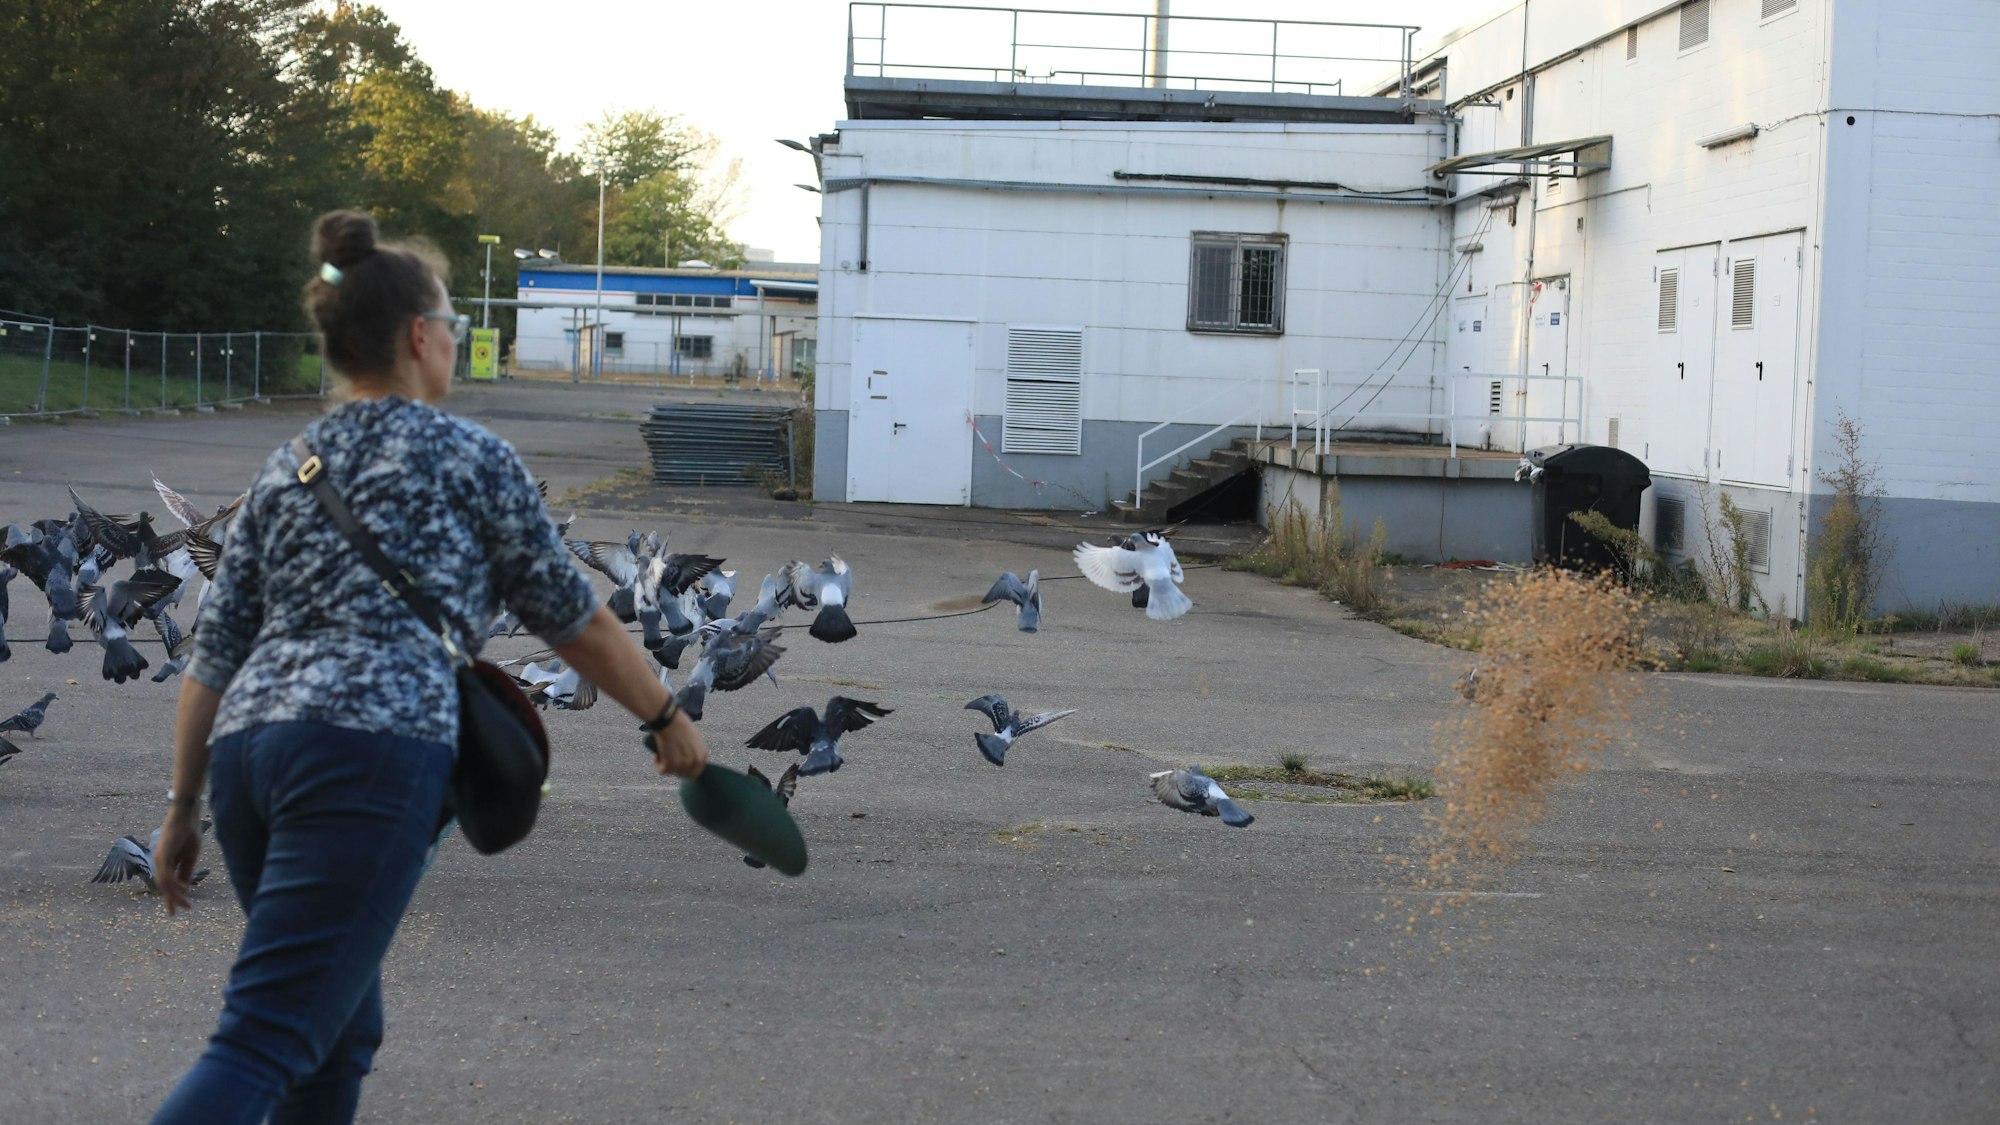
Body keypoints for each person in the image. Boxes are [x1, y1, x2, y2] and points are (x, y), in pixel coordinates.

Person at [148, 209, 708, 1124]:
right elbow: (577, 622)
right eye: (450, 325)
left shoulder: (287, 467)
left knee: (335, 1032)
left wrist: (181, 809)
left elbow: (210, 658)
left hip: (250, 760)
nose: (453, 339)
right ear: (419, 337)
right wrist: (664, 715)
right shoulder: (470, 457)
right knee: (264, 1038)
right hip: (368, 754)